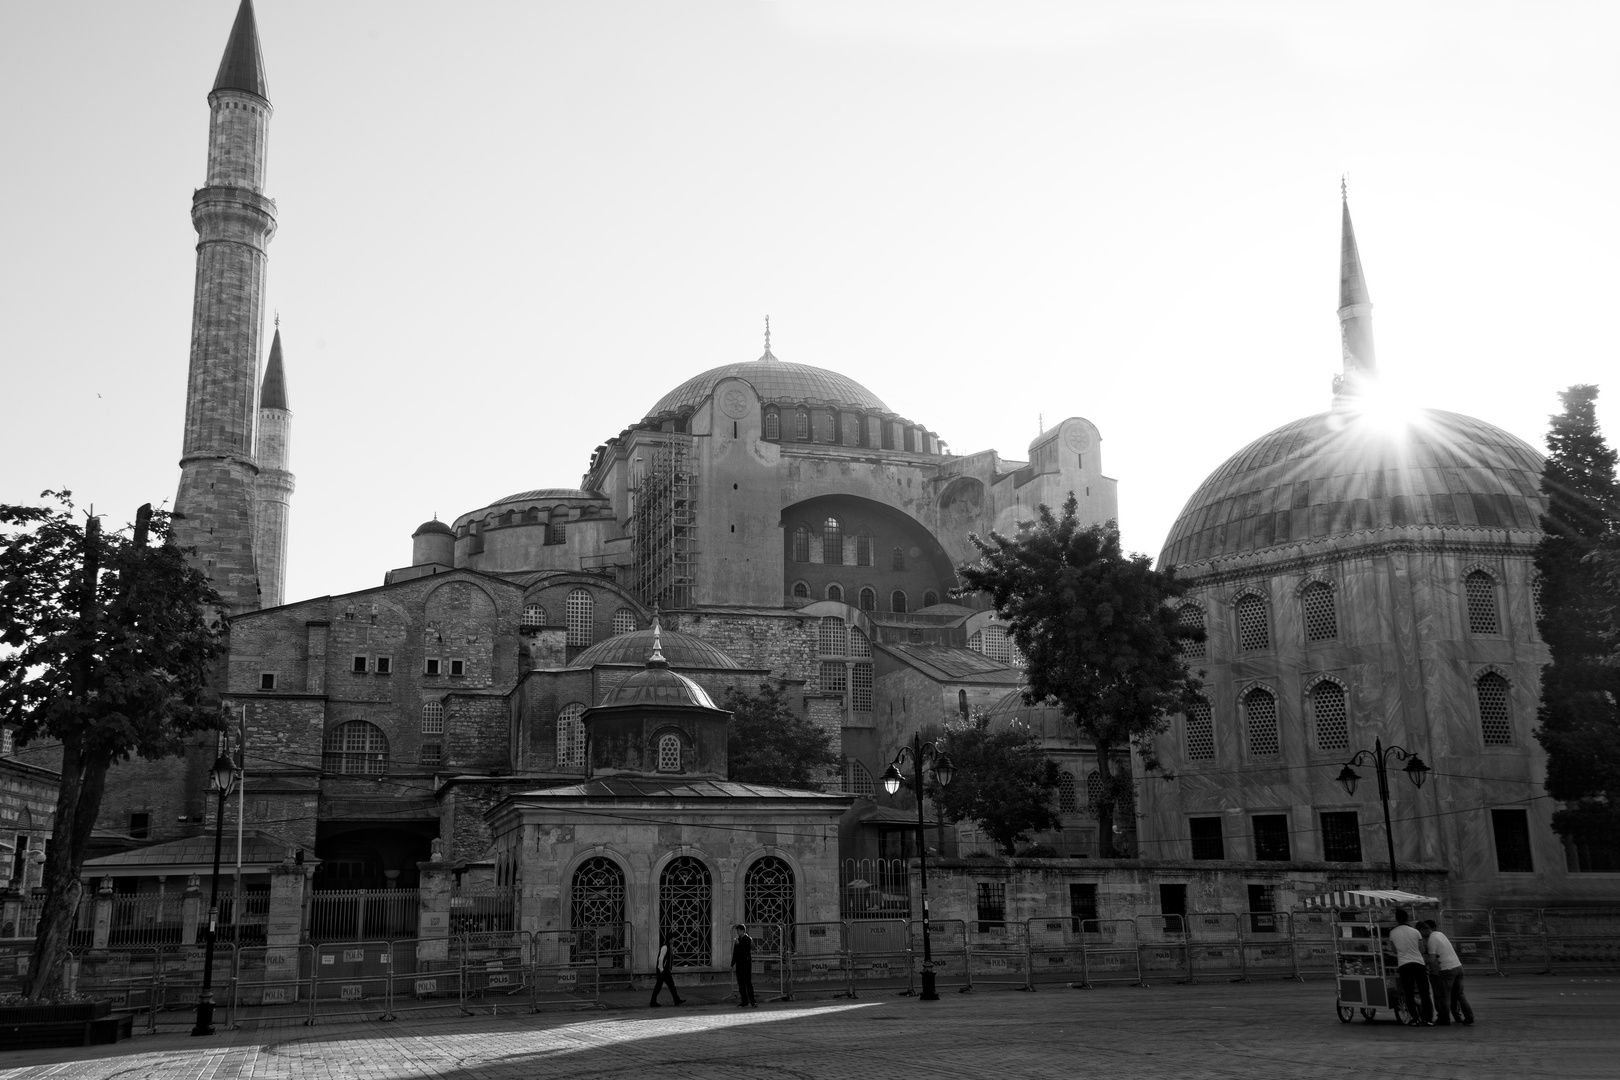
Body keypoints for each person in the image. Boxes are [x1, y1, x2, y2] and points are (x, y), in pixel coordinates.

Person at [1420, 920, 1474, 1026]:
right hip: (1457, 966)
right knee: (1460, 995)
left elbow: (1431, 959)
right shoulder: (1440, 934)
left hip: (1446, 969)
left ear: (1423, 930)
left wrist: (1422, 961)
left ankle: (1444, 1019)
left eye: (1420, 932)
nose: (1421, 936)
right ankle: (1469, 1016)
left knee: (1445, 996)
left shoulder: (1431, 940)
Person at [1388, 908, 1434, 1026]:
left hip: (1404, 965)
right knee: (1424, 992)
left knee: (1408, 993)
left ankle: (1414, 1019)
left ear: (1396, 919)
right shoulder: (1415, 932)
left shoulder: (1392, 933)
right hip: (1418, 963)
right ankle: (1427, 1019)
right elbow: (1422, 949)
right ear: (1407, 918)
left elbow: (1394, 950)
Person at [649, 937, 683, 1007]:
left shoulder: (669, 947)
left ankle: (676, 1000)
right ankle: (676, 1000)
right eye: (673, 938)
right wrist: (661, 970)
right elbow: (661, 959)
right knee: (666, 985)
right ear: (670, 939)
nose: (674, 940)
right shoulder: (665, 947)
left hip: (665, 970)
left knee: (665, 985)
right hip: (663, 970)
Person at [730, 924, 757, 1007]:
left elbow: (745, 951)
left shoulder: (748, 939)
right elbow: (736, 953)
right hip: (739, 964)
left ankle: (752, 1001)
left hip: (746, 963)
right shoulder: (738, 940)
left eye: (738, 930)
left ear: (742, 931)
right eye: (737, 930)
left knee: (748, 983)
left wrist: (738, 944)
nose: (737, 932)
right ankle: (744, 1001)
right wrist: (732, 964)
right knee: (741, 984)